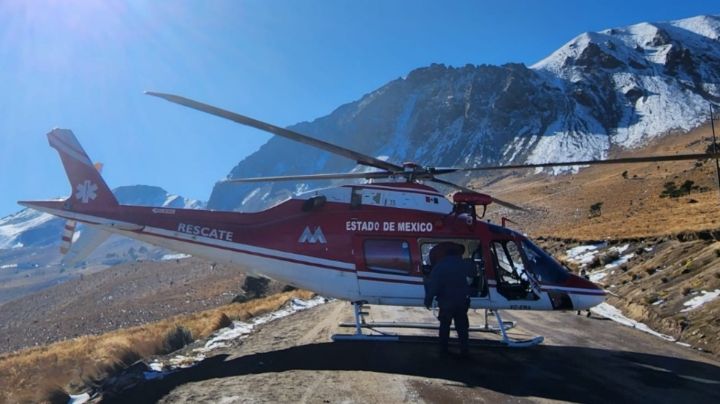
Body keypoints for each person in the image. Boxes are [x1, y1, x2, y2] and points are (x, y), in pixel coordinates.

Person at [425, 242, 476, 355]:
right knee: (462, 327)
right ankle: (464, 349)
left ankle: (443, 350)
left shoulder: (440, 265)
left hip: (446, 301)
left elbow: (434, 285)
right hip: (461, 301)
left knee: (444, 326)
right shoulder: (463, 264)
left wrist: (428, 300)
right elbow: (473, 278)